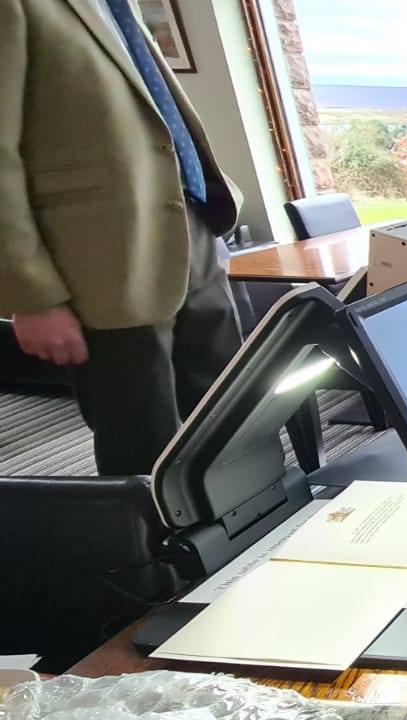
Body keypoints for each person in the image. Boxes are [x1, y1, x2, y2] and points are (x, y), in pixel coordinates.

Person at [1, 0, 242, 475]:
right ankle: (156, 530)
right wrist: (32, 297)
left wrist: (204, 225)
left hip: (192, 227)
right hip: (103, 269)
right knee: (145, 445)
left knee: (232, 417)